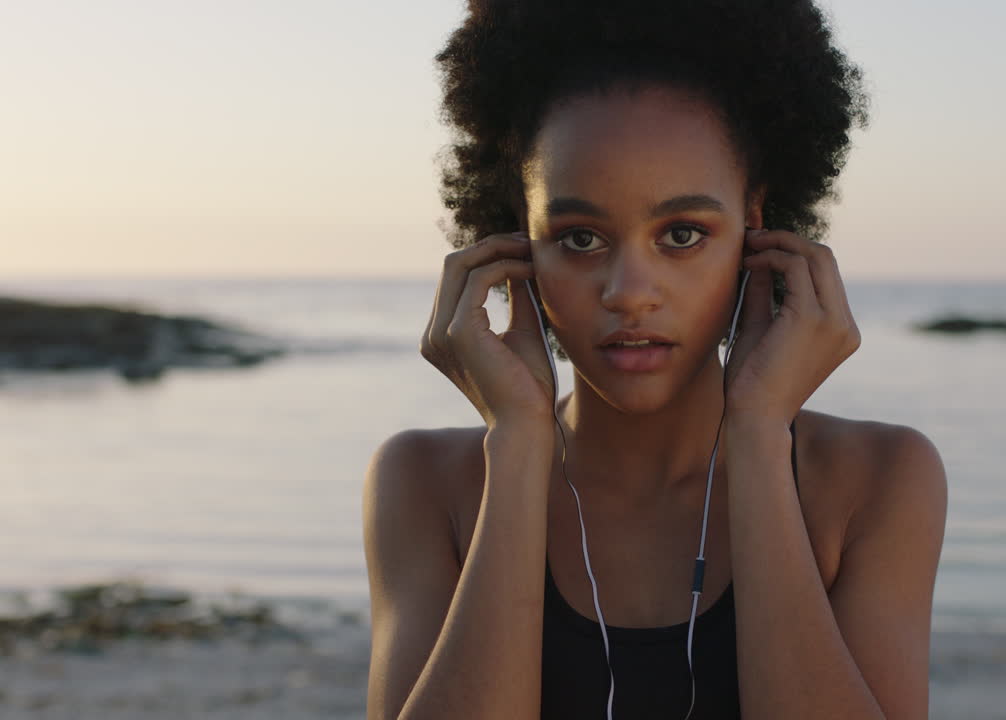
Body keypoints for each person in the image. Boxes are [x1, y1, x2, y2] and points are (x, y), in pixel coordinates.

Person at [362, 1, 948, 718]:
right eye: (580, 238)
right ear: (518, 245)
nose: (629, 293)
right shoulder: (426, 485)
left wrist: (761, 436)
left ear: (755, 228)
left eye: (681, 234)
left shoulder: (875, 482)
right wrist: (516, 446)